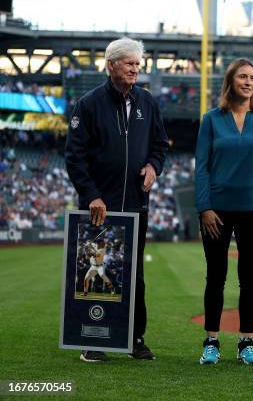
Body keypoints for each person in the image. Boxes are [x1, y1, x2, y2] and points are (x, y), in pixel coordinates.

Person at [65, 37, 169, 363]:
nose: (135, 70)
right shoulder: (89, 104)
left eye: (138, 64)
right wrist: (91, 195)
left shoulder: (148, 103)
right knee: (98, 270)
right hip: (100, 206)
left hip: (137, 205)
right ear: (112, 65)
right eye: (129, 64)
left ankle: (135, 338)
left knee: (134, 274)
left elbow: (160, 145)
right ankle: (93, 339)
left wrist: (154, 166)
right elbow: (75, 156)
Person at [195, 58, 253, 366]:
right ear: (231, 81)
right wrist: (204, 207)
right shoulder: (211, 119)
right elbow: (202, 166)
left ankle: (246, 341)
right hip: (216, 210)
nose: (248, 82)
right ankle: (211, 341)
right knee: (215, 277)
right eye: (242, 76)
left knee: (249, 278)